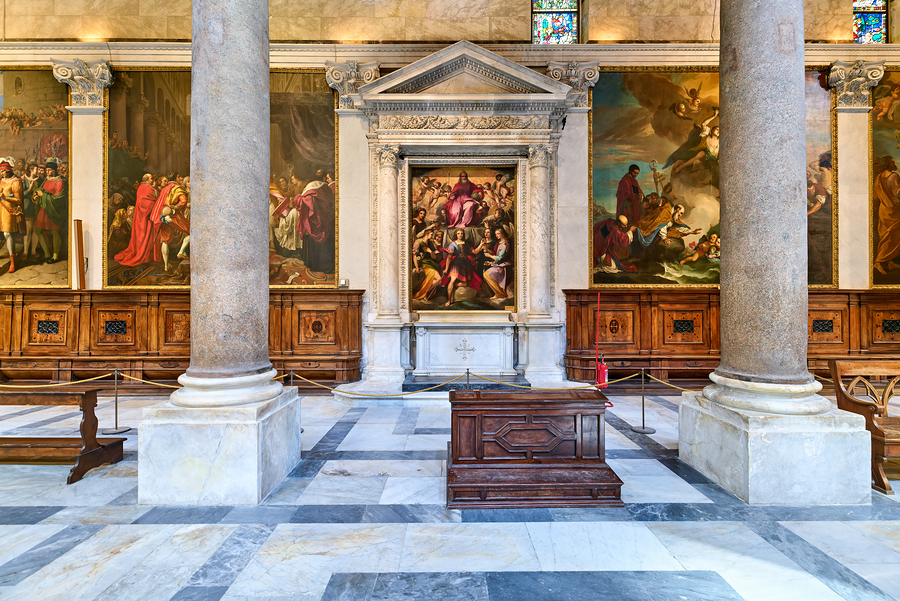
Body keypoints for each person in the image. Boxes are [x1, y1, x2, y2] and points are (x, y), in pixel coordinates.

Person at [114, 173, 161, 267]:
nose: (153, 180)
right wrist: (156, 204)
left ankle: (150, 256)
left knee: (149, 237)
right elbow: (144, 202)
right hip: (144, 217)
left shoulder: (147, 187)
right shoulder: (143, 187)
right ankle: (145, 256)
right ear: (146, 179)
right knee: (143, 237)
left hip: (147, 216)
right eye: (151, 178)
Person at [32, 159, 67, 264]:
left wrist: (43, 195)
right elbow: (41, 189)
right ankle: (47, 254)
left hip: (53, 210)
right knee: (38, 231)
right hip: (44, 209)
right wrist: (36, 196)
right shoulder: (47, 180)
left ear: (54, 170)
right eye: (46, 170)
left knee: (55, 232)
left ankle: (55, 256)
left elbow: (57, 198)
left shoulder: (59, 182)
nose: (47, 172)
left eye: (50, 170)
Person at [874, 155, 900, 275]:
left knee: (886, 236)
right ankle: (878, 261)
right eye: (892, 161)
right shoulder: (894, 176)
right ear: (887, 164)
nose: (894, 162)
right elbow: (897, 193)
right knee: (892, 237)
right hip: (894, 210)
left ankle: (890, 262)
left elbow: (875, 197)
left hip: (883, 210)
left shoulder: (878, 177)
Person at [441, 228, 481, 306]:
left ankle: (455, 287)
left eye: (462, 233)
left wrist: (481, 244)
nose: (460, 235)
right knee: (452, 280)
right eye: (458, 233)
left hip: (465, 265)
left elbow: (474, 252)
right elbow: (449, 257)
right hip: (456, 264)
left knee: (465, 284)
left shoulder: (466, 244)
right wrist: (446, 269)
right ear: (456, 235)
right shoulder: (453, 244)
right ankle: (449, 300)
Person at [0, 159, 24, 272]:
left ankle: (12, 262)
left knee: (8, 234)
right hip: (0, 208)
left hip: (9, 210)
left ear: (8, 170)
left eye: (3, 171)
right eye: (1, 171)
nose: (2, 173)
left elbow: (18, 200)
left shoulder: (15, 182)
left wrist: (5, 197)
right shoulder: (1, 180)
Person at [483, 226, 513, 300]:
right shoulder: (500, 243)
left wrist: (489, 256)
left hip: (504, 267)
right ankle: (497, 293)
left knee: (486, 274)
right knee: (485, 273)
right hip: (500, 265)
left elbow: (500, 258)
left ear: (503, 234)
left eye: (498, 233)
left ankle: (500, 293)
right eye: (496, 234)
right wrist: (491, 263)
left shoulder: (505, 244)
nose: (496, 235)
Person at [412, 227, 441, 301]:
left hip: (430, 263)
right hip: (421, 263)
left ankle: (423, 294)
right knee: (438, 279)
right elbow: (414, 256)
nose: (432, 236)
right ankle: (423, 294)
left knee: (438, 280)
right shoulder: (418, 242)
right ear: (426, 234)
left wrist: (430, 251)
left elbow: (434, 257)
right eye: (431, 234)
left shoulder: (430, 243)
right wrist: (417, 267)